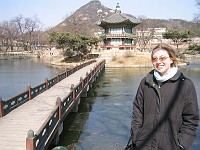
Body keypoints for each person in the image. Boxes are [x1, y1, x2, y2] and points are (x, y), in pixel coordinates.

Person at [131, 43, 199, 150]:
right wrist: (136, 136)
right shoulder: (145, 82)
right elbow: (137, 111)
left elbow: (191, 119)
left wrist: (181, 144)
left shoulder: (185, 85)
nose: (158, 62)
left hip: (171, 146)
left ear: (171, 59)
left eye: (162, 58)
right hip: (144, 144)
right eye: (154, 59)